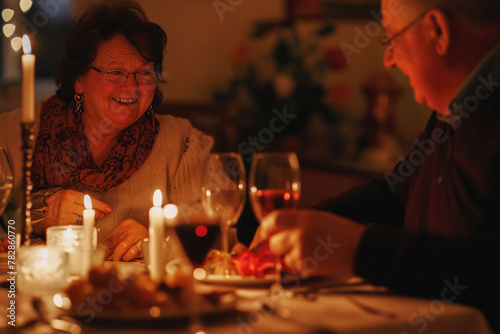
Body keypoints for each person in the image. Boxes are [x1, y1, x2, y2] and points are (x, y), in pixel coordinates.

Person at [251, 0, 500, 331]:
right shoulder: (453, 110)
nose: (389, 59)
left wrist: (357, 248)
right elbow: (393, 193)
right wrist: (307, 226)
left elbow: (484, 271)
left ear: (437, 30)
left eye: (392, 38)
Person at [5, 1, 212, 261]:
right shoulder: (14, 134)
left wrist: (159, 235)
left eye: (145, 73)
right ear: (78, 81)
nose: (132, 87)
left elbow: (217, 236)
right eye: (116, 72)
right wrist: (37, 212)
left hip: (139, 298)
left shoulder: (184, 143)